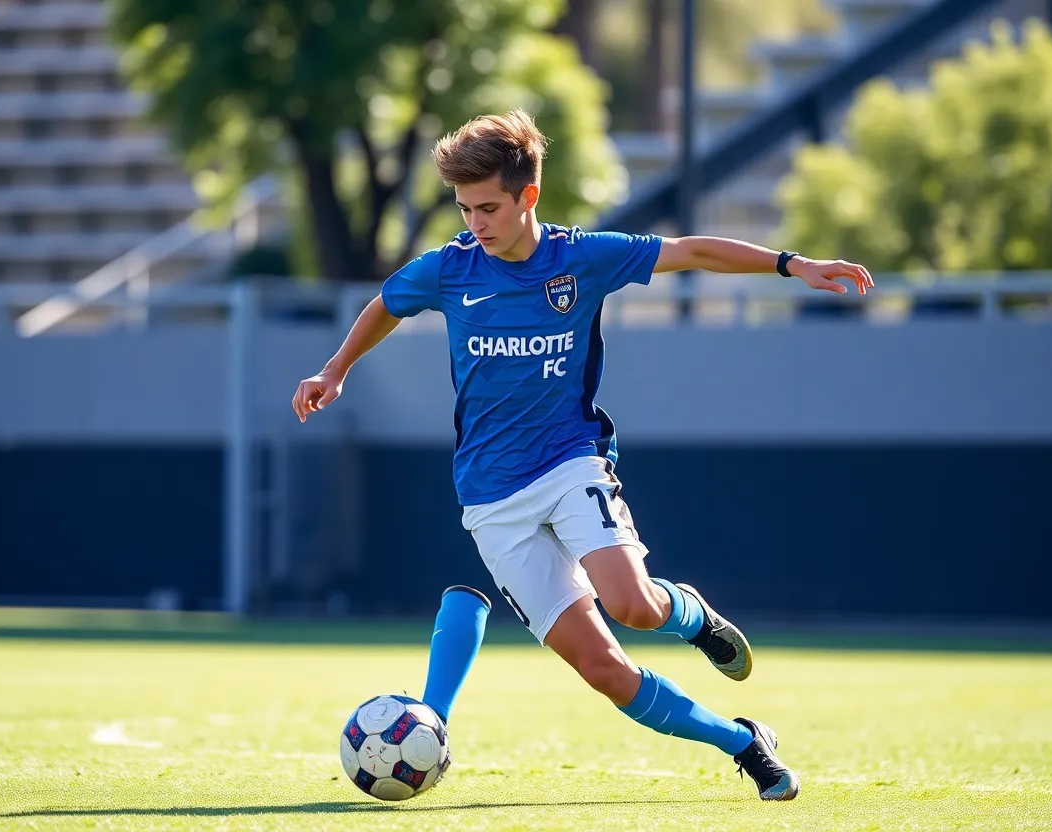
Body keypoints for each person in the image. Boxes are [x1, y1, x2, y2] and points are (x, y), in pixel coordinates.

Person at [294, 109, 874, 801]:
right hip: (489, 497)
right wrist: (335, 370)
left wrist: (792, 264)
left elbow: (690, 251)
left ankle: (688, 614)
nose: (475, 223)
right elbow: (385, 305)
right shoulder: (448, 268)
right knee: (605, 671)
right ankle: (746, 743)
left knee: (633, 606)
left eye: (488, 208)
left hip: (571, 462)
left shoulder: (581, 259)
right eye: (464, 209)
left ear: (528, 196)